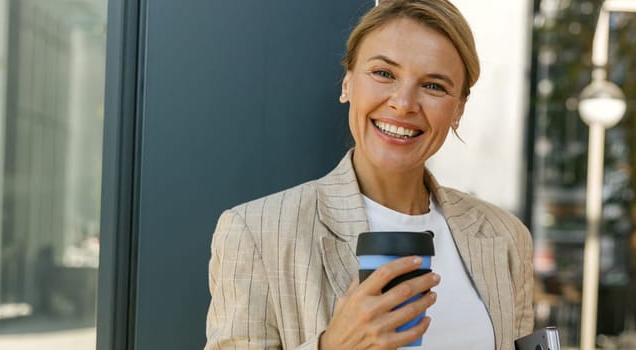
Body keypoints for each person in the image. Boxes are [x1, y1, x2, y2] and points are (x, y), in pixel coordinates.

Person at [204, 1, 534, 349]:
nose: (404, 103)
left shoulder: (506, 237)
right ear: (347, 83)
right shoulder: (256, 232)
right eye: (384, 73)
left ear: (458, 110)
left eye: (434, 86)